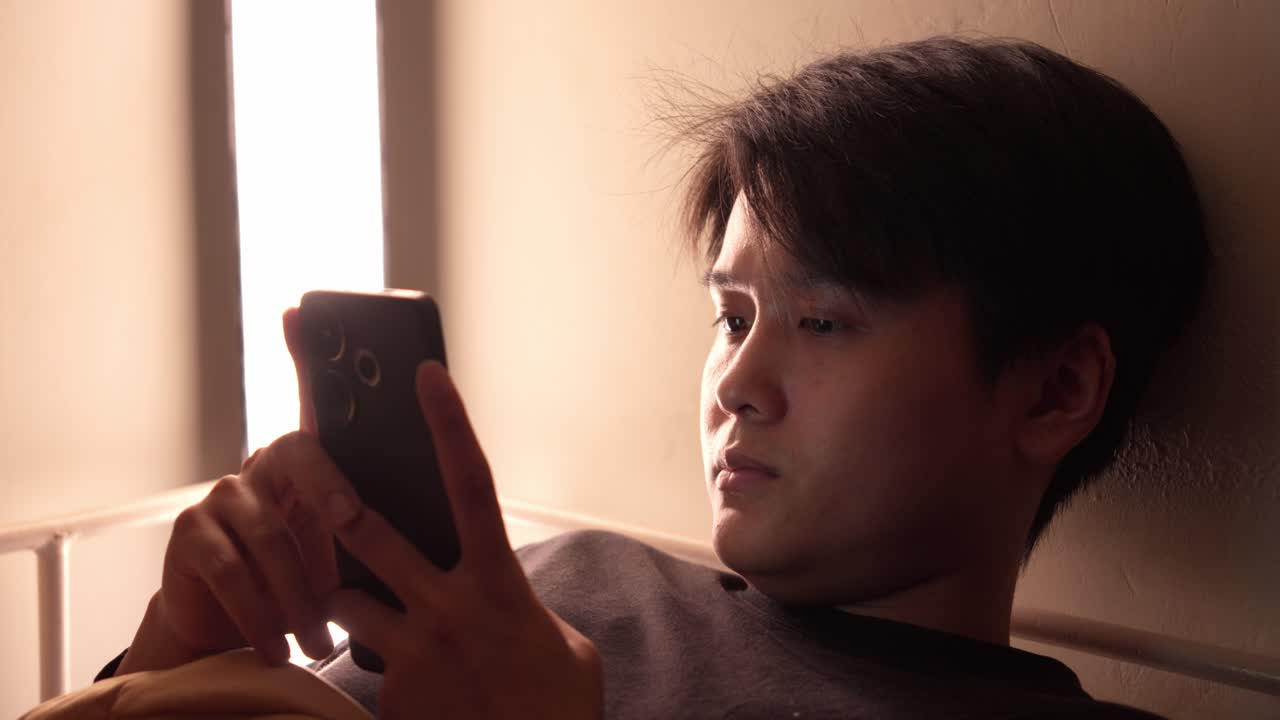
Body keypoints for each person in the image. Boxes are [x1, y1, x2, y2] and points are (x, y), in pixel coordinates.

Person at [93, 35, 1207, 718]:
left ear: (1054, 391)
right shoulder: (556, 593)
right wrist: (175, 657)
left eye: (822, 321)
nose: (736, 384)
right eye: (732, 317)